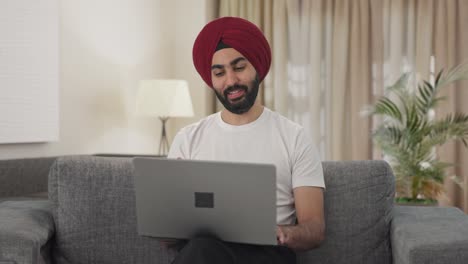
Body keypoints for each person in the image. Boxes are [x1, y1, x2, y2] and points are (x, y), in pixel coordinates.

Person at [166, 16, 325, 264]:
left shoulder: (294, 137)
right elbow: (169, 233)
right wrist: (167, 227)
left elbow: (314, 229)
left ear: (257, 68)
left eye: (239, 68)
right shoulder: (188, 139)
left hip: (268, 254)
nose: (231, 81)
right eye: (219, 73)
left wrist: (284, 233)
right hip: (203, 252)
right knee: (201, 248)